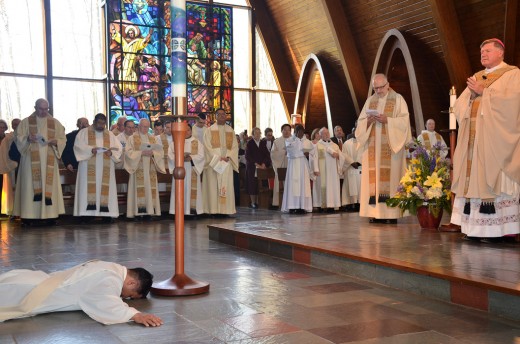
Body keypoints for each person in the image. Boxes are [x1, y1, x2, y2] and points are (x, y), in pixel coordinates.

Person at [450, 38, 520, 241]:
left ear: (501, 53)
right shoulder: (477, 76)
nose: (483, 54)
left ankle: (496, 230)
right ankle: (473, 229)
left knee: (491, 179)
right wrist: (472, 96)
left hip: (494, 142)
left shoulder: (512, 74)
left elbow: (512, 104)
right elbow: (460, 105)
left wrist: (484, 93)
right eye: (481, 52)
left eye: (488, 51)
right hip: (474, 142)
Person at [0, 260, 163, 327]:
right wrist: (135, 315)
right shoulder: (110, 278)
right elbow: (106, 302)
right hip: (28, 292)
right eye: (129, 295)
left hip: (31, 279)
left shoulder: (110, 266)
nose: (124, 298)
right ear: (132, 282)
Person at [355, 74, 412, 224]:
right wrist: (368, 121)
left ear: (388, 84)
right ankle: (374, 213)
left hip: (391, 148)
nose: (378, 91)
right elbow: (360, 123)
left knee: (391, 182)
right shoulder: (370, 101)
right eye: (375, 88)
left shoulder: (398, 99)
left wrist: (388, 120)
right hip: (373, 150)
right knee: (373, 181)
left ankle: (391, 214)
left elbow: (404, 121)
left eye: (381, 87)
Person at [13, 99, 66, 226]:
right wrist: (27, 139)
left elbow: (63, 139)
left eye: (46, 109)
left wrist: (56, 142)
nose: (44, 111)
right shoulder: (26, 122)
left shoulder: (55, 122)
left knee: (49, 186)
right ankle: (28, 216)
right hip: (30, 161)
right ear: (35, 107)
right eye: (41, 109)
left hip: (49, 160)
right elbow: (17, 137)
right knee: (29, 186)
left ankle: (50, 216)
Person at [73, 114, 122, 222]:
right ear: (94, 122)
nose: (101, 126)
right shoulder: (84, 133)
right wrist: (91, 150)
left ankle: (106, 214)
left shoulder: (109, 134)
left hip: (106, 167)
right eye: (99, 123)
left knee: (105, 189)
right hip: (87, 167)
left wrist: (111, 152)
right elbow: (78, 147)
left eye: (103, 124)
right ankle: (86, 214)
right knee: (87, 189)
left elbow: (118, 149)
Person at [124, 118, 166, 220]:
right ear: (139, 126)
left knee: (150, 189)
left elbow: (161, 153)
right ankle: (137, 213)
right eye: (143, 126)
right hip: (138, 168)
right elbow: (128, 153)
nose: (145, 128)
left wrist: (153, 153)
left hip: (150, 169)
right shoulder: (132, 138)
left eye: (147, 127)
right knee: (139, 190)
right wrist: (141, 153)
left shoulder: (153, 138)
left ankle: (149, 212)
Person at [202, 108, 238, 216]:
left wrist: (228, 156)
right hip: (214, 164)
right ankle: (213, 210)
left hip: (226, 163)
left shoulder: (230, 130)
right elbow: (207, 147)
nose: (222, 116)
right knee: (213, 187)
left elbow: (235, 147)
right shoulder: (209, 130)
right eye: (219, 114)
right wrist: (218, 157)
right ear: (215, 116)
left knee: (225, 186)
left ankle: (225, 211)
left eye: (224, 114)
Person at [169, 124, 205, 216]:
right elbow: (170, 156)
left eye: (188, 130)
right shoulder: (175, 142)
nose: (187, 132)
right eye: (185, 130)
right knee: (180, 189)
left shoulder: (197, 143)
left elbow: (202, 156)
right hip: (179, 171)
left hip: (191, 169)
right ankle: (177, 211)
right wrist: (179, 158)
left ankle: (191, 212)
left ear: (191, 131)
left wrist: (191, 158)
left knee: (191, 189)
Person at [281, 124, 314, 214]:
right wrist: (300, 150)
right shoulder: (289, 140)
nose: (300, 133)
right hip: (294, 164)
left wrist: (308, 154)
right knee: (293, 184)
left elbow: (313, 152)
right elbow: (291, 153)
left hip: (303, 164)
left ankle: (302, 206)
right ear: (295, 132)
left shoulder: (307, 141)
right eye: (298, 132)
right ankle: (292, 206)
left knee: (303, 185)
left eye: (302, 132)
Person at [309, 127, 344, 211]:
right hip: (322, 172)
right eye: (324, 133)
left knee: (332, 187)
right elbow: (313, 158)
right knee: (322, 186)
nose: (327, 134)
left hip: (333, 172)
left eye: (327, 133)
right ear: (320, 135)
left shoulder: (334, 145)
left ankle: (332, 205)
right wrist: (316, 169)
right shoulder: (317, 145)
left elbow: (342, 157)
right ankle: (322, 205)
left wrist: (338, 156)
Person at [245, 127, 272, 209]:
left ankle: (259, 202)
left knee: (259, 185)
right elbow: (248, 156)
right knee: (252, 184)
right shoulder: (250, 143)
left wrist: (264, 163)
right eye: (256, 133)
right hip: (252, 167)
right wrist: (256, 164)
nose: (258, 134)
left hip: (262, 168)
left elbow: (267, 155)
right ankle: (253, 202)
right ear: (252, 134)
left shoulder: (263, 143)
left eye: (259, 133)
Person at [0, 119, 20, 217]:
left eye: (3, 127)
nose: (2, 129)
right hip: (8, 165)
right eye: (0, 127)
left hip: (19, 165)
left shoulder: (9, 136)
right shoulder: (8, 138)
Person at [270, 124, 292, 209]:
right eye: (284, 130)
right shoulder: (277, 141)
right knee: (278, 183)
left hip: (291, 166)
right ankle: (277, 203)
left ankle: (290, 203)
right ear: (281, 131)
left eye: (288, 130)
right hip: (280, 166)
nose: (286, 131)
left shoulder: (293, 141)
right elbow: (273, 154)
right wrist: (284, 152)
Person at [341, 130, 362, 211]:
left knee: (360, 187)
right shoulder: (346, 143)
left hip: (360, 168)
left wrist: (359, 162)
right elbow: (344, 154)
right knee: (350, 186)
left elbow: (365, 153)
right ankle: (350, 204)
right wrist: (351, 162)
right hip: (350, 168)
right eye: (354, 131)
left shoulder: (363, 141)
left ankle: (359, 204)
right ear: (352, 132)